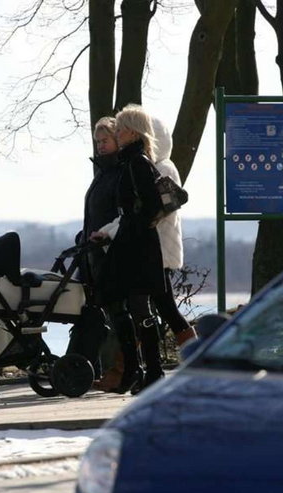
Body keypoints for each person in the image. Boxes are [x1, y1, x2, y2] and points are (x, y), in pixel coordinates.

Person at [90, 104, 166, 394]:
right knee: (133, 308)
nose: (117, 133)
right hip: (133, 245)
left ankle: (150, 370)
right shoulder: (134, 161)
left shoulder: (137, 163)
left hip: (136, 248)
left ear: (132, 132)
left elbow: (151, 207)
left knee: (138, 308)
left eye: (120, 129)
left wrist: (131, 227)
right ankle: (143, 370)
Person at [64, 117, 122, 380]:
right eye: (98, 141)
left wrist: (103, 236)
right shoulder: (104, 173)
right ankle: (84, 366)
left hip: (107, 253)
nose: (100, 146)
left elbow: (119, 215)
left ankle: (94, 367)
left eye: (105, 141)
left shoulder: (118, 173)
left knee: (108, 312)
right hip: (92, 251)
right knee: (88, 312)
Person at [149, 116, 197, 351]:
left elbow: (164, 207)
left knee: (164, 305)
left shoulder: (162, 168)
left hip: (158, 248)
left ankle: (194, 351)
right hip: (155, 248)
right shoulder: (157, 166)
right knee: (160, 305)